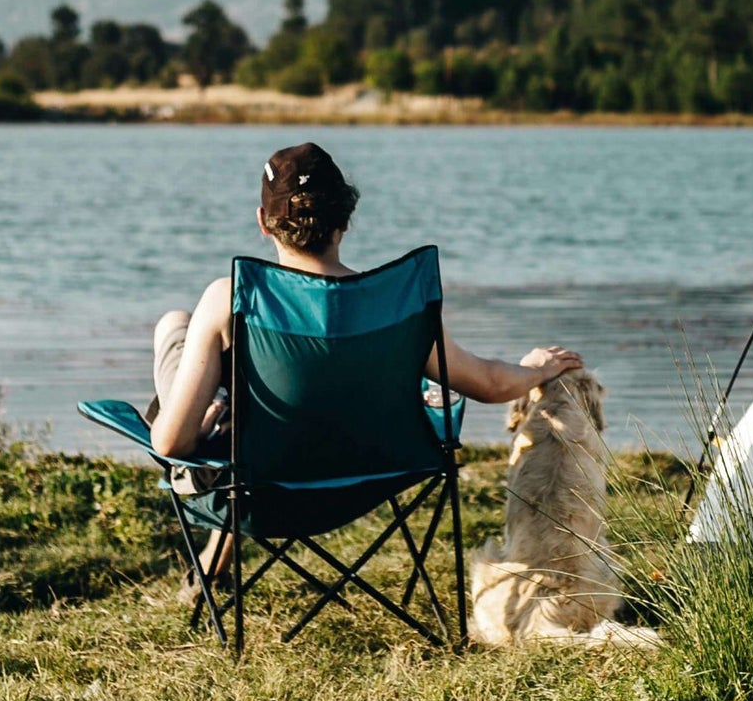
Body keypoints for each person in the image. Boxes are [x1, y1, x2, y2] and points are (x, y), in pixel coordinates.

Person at [149, 140, 583, 470]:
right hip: (370, 479)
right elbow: (488, 382)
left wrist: (200, 425)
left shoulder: (231, 297)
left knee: (176, 326)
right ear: (346, 219)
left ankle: (206, 412)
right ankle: (211, 556)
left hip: (256, 483)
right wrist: (541, 369)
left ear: (264, 223)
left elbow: (170, 447)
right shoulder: (396, 301)